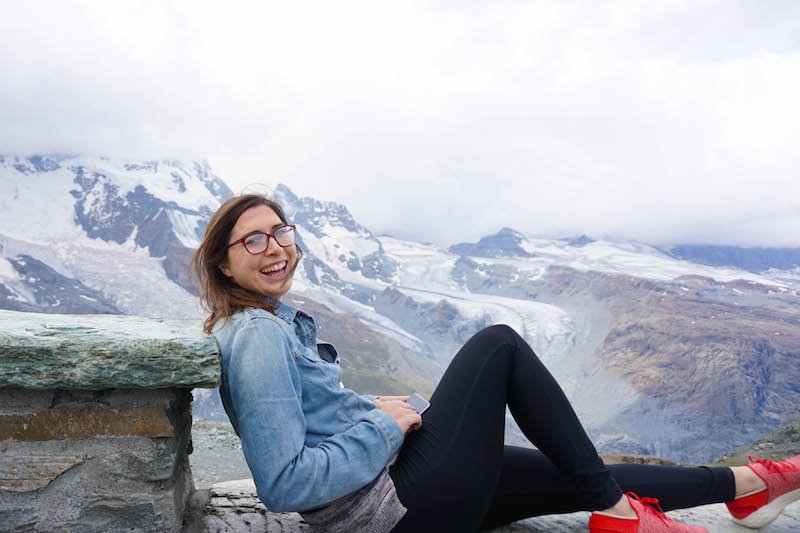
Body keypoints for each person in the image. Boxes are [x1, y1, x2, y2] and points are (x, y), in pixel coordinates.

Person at [192, 192, 800, 533]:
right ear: (224, 264)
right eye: (253, 241)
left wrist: (365, 411)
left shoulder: (272, 324)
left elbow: (306, 415)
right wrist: (385, 424)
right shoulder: (256, 335)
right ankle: (621, 516)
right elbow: (284, 482)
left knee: (572, 473)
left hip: (401, 492)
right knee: (499, 344)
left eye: (280, 232)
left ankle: (746, 487)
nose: (274, 249)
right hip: (390, 509)